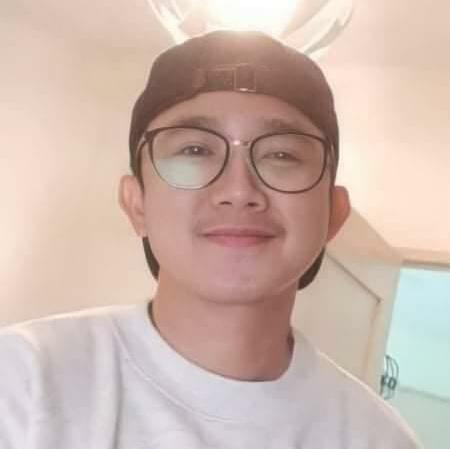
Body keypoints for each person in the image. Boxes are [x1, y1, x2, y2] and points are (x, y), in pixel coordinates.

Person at [0, 30, 422, 448]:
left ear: (334, 213)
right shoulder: (23, 380)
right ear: (136, 203)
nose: (238, 190)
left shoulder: (380, 439)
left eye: (281, 155)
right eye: (195, 151)